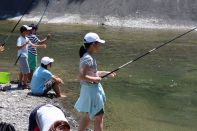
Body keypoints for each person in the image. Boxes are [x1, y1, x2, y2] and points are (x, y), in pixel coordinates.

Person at [74, 32, 116, 131]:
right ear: (93, 44)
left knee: (89, 115)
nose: (100, 45)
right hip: (92, 91)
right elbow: (81, 76)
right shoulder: (88, 58)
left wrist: (107, 73)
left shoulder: (87, 56)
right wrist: (96, 79)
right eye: (98, 43)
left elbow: (93, 73)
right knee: (99, 117)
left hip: (88, 90)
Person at [16, 25, 46, 89]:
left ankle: (20, 83)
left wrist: (41, 46)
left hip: (25, 56)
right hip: (22, 56)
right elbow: (18, 47)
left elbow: (32, 45)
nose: (29, 31)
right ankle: (24, 85)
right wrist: (25, 44)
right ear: (24, 31)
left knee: (22, 70)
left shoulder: (26, 38)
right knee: (27, 71)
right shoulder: (20, 38)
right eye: (27, 30)